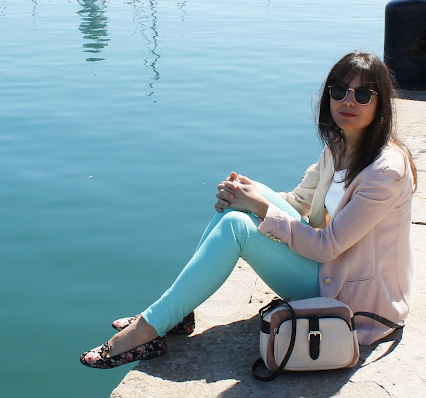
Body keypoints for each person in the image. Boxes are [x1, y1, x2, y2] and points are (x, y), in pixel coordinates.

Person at [80, 50, 417, 369]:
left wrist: (257, 205)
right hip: (333, 269)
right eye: (340, 91)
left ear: (381, 105)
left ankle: (147, 329)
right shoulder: (341, 144)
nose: (348, 101)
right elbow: (297, 202)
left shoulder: (384, 172)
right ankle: (175, 313)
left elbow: (327, 245)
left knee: (237, 227)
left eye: (363, 95)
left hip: (355, 299)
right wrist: (242, 193)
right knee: (236, 203)